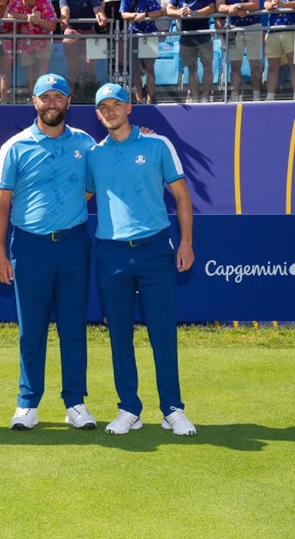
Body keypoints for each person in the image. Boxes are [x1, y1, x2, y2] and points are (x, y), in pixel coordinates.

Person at [87, 82, 196, 436]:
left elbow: (181, 196)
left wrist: (186, 243)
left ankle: (172, 409)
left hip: (154, 250)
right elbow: (79, 194)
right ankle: (129, 409)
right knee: (119, 334)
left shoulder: (157, 144)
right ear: (97, 113)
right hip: (111, 253)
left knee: (163, 332)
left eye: (116, 104)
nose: (110, 111)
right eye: (103, 107)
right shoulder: (94, 154)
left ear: (130, 106)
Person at [0, 73, 98, 432]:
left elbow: (90, 189)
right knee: (31, 329)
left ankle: (75, 402)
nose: (51, 103)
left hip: (73, 245)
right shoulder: (15, 146)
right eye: (45, 97)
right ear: (33, 102)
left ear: (68, 102)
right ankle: (27, 403)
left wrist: (65, 214)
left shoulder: (85, 143)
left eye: (58, 97)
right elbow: (0, 204)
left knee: (73, 327)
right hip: (30, 247)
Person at [166, 0, 215, 103]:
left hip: (204, 34)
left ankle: (205, 97)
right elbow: (169, 10)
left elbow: (212, 7)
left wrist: (194, 13)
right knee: (191, 69)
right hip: (186, 36)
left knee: (207, 66)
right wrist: (178, 12)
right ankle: (194, 98)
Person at [216, 0, 263, 101]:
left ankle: (257, 96)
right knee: (235, 64)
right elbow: (220, 6)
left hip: (253, 26)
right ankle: (235, 96)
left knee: (254, 64)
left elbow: (255, 5)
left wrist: (238, 6)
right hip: (233, 27)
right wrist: (235, 8)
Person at [59, 0, 106, 100]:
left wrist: (101, 17)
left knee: (90, 67)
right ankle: (71, 95)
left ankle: (88, 95)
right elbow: (65, 10)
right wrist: (64, 19)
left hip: (90, 31)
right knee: (73, 67)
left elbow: (97, 9)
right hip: (72, 31)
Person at [120, 0, 164, 104]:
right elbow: (123, 14)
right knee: (135, 69)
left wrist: (145, 15)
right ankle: (139, 99)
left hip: (149, 34)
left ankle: (150, 98)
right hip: (134, 35)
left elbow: (160, 11)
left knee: (149, 67)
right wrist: (135, 15)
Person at [8, 0, 57, 91]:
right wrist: (27, 17)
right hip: (25, 40)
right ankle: (32, 96)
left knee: (43, 70)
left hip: (43, 40)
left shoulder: (45, 3)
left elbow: (53, 26)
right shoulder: (19, 0)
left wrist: (37, 21)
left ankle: (40, 93)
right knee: (29, 70)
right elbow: (10, 14)